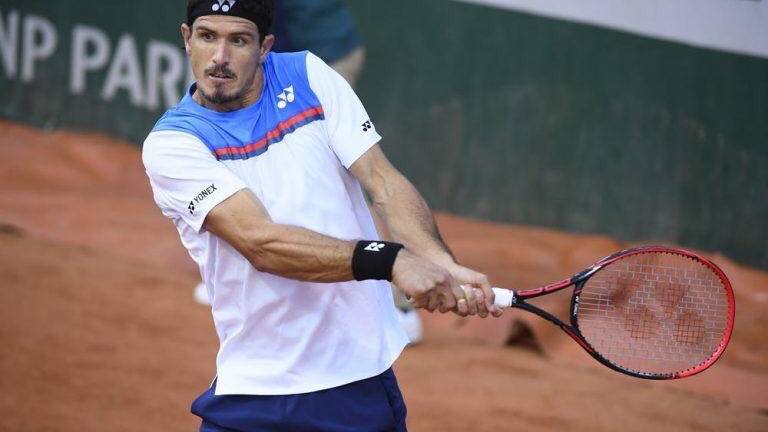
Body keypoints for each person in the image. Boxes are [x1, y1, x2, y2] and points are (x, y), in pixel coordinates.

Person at [142, 1, 502, 430]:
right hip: (252, 392)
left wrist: (440, 261)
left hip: (358, 385)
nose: (219, 58)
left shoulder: (308, 75)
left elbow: (382, 182)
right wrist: (392, 260)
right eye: (207, 37)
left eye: (238, 40)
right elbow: (261, 242)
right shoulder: (173, 143)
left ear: (264, 47)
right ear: (187, 39)